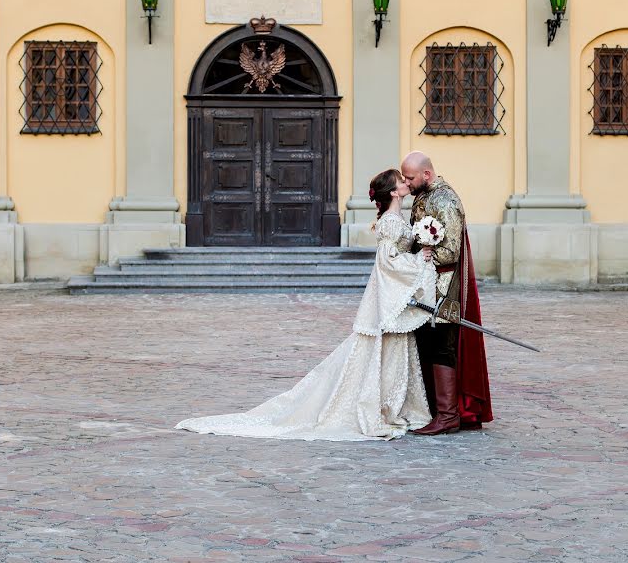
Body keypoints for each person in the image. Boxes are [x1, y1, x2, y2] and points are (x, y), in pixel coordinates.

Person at [175, 170, 438, 441]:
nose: (406, 182)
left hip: (392, 298)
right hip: (388, 298)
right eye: (401, 180)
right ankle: (384, 410)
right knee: (387, 353)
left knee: (389, 353)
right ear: (394, 192)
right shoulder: (392, 222)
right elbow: (388, 262)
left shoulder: (395, 219)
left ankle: (391, 406)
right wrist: (421, 260)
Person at [400, 151, 493, 435]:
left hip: (446, 287)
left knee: (443, 346)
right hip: (425, 283)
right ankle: (431, 409)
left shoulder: (447, 201)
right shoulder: (422, 196)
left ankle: (448, 416)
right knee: (426, 344)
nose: (406, 182)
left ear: (426, 174)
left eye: (410, 177)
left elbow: (450, 251)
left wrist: (418, 258)